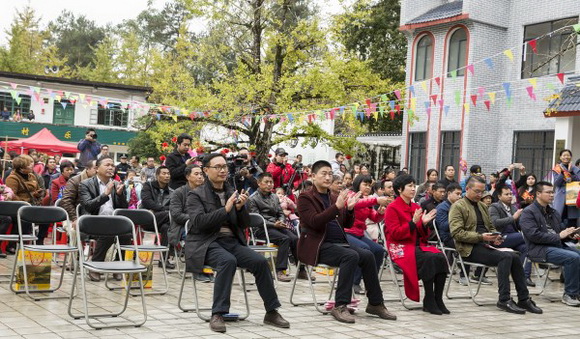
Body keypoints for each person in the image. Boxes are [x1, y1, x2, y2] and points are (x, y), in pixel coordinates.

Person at [186, 153, 289, 333]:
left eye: (224, 166)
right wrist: (225, 210)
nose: (223, 170)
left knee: (260, 262)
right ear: (206, 170)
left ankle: (271, 311)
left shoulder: (231, 191)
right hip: (206, 243)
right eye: (217, 167)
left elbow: (244, 224)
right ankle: (218, 313)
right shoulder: (195, 195)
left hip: (231, 241)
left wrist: (240, 209)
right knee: (227, 261)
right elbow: (198, 223)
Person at [297, 160, 396, 323]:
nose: (328, 177)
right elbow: (314, 222)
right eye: (324, 173)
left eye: (330, 174)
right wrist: (336, 207)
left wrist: (349, 210)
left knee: (368, 255)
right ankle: (340, 305)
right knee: (350, 256)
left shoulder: (334, 197)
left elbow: (346, 224)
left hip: (338, 243)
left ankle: (375, 303)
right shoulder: (305, 197)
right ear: (313, 176)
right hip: (318, 246)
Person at [449, 176, 542, 314]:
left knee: (514, 256)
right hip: (468, 249)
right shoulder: (458, 206)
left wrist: (494, 236)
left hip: (485, 244)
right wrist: (481, 237)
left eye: (482, 192)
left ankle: (524, 298)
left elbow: (491, 226)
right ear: (467, 189)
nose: (480, 195)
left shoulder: (482, 205)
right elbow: (457, 233)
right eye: (476, 191)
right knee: (505, 257)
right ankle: (504, 299)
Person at [385, 174, 449, 314]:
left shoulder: (415, 206)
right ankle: (429, 298)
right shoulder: (392, 208)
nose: (413, 189)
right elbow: (395, 234)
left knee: (440, 256)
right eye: (409, 186)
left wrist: (424, 224)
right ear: (400, 189)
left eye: (414, 186)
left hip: (415, 245)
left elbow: (421, 233)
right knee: (430, 258)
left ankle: (438, 298)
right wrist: (413, 223)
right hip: (400, 247)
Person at [520, 181, 580, 306]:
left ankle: (576, 292)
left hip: (556, 246)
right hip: (539, 249)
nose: (552, 195)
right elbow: (533, 236)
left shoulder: (553, 212)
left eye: (552, 192)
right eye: (548, 192)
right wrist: (559, 236)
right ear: (538, 194)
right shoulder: (528, 212)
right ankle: (570, 294)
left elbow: (560, 233)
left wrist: (570, 235)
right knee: (573, 258)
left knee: (577, 254)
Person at [248, 173, 306, 282]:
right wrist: (273, 224)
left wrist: (281, 221)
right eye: (266, 182)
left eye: (271, 182)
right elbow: (256, 219)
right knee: (284, 239)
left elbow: (280, 212)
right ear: (259, 183)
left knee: (295, 239)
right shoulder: (253, 199)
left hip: (277, 225)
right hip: (262, 228)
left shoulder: (274, 196)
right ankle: (280, 271)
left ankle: (301, 270)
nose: (270, 185)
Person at [78, 156, 128, 282]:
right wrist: (105, 194)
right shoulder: (85, 184)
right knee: (108, 231)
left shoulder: (117, 184)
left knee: (127, 233)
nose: (111, 167)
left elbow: (124, 208)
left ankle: (117, 266)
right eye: (107, 165)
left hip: (113, 221)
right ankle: (95, 265)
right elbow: (88, 206)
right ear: (96, 168)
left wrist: (119, 195)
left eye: (112, 165)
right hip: (92, 221)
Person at [344, 174, 388, 295]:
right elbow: (355, 204)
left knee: (379, 250)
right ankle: (354, 282)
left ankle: (371, 281)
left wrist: (380, 213)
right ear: (358, 184)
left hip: (359, 234)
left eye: (369, 185)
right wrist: (375, 200)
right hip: (347, 233)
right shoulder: (350, 194)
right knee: (364, 249)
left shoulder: (367, 200)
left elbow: (373, 218)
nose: (368, 187)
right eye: (365, 184)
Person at [489, 186, 534, 287]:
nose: (510, 196)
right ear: (499, 196)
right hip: (500, 238)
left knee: (526, 247)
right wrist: (513, 218)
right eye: (506, 194)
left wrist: (522, 220)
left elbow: (518, 225)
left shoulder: (513, 208)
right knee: (527, 236)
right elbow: (495, 223)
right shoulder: (494, 207)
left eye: (511, 194)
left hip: (513, 238)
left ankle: (525, 277)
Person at [435, 183, 471, 285]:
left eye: (461, 194)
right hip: (448, 237)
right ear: (449, 193)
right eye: (457, 194)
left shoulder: (460, 206)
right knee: (466, 245)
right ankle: (464, 275)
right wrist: (459, 221)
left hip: (461, 234)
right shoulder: (442, 207)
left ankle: (477, 273)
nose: (460, 196)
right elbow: (443, 226)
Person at [140, 165, 175, 269]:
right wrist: (164, 209)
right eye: (164, 173)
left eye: (168, 174)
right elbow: (147, 202)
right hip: (148, 220)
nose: (167, 176)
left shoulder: (172, 192)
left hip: (162, 221)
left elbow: (174, 207)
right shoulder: (148, 186)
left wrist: (158, 209)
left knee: (167, 228)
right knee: (171, 215)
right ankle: (173, 250)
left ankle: (164, 260)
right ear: (157, 175)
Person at [60, 160, 97, 225]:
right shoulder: (75, 181)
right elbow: (66, 201)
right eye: (95, 168)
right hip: (77, 215)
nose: (97, 170)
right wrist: (75, 218)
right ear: (87, 169)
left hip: (96, 215)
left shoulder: (101, 181)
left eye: (99, 168)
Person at [550, 149, 580, 227]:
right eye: (564, 155)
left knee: (572, 221)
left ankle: (573, 238)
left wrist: (571, 171)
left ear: (571, 157)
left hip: (573, 197)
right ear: (560, 157)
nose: (566, 157)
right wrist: (564, 173)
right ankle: (561, 238)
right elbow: (557, 183)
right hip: (561, 197)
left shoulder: (574, 168)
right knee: (560, 219)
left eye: (568, 155)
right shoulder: (557, 168)